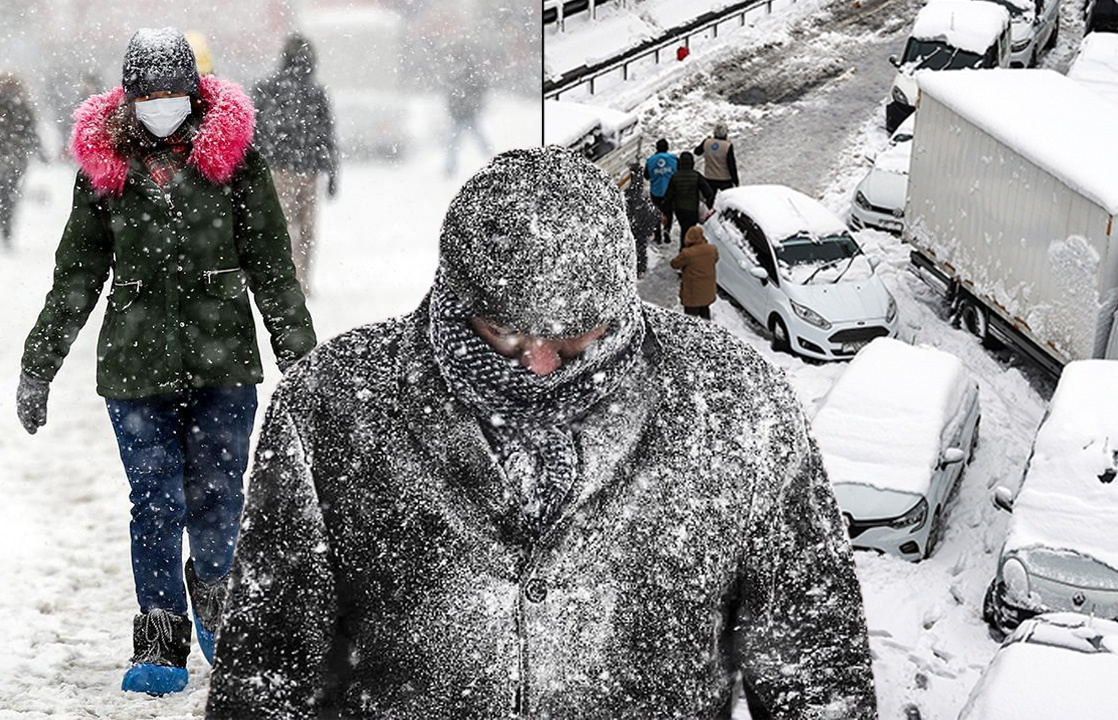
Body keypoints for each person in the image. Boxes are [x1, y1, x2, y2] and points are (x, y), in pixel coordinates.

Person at [206, 146, 877, 718]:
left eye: (578, 338)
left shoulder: (734, 398)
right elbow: (268, 668)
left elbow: (814, 661)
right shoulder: (331, 405)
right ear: (455, 296)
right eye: (505, 334)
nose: (542, 365)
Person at [15, 27, 315, 697]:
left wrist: (304, 363)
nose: (162, 104)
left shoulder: (237, 162)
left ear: (195, 91)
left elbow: (273, 269)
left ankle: (216, 600)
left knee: (217, 498)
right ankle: (159, 633)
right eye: (149, 94)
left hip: (224, 365)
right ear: (130, 96)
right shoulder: (105, 170)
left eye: (174, 92)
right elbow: (75, 275)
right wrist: (40, 364)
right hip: (134, 367)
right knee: (154, 501)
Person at [252, 32, 339, 296]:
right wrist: (333, 172)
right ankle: (302, 280)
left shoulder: (266, 88)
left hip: (277, 170)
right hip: (308, 171)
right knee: (306, 231)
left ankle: (283, 280)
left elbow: (255, 133)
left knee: (280, 228)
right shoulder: (316, 93)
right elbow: (327, 135)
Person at [0, 72, 42, 248]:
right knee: (10, 194)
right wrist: (41, 152)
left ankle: (5, 219)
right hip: (16, 158)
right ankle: (7, 224)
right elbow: (31, 132)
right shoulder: (22, 105)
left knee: (5, 193)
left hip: (6, 156)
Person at [444, 48, 492, 177]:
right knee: (457, 142)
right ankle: (450, 168)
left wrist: (474, 102)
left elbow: (481, 87)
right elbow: (451, 95)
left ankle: (450, 168)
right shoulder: (459, 75)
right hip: (461, 114)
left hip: (466, 113)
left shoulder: (465, 75)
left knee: (460, 142)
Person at [661, 150, 714, 251]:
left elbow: (668, 196)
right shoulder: (696, 176)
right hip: (693, 209)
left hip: (679, 210)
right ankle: (690, 251)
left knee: (684, 229)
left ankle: (683, 250)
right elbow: (709, 192)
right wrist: (707, 204)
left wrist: (665, 211)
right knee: (691, 229)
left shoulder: (675, 177)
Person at [670, 224, 719, 319]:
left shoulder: (687, 254)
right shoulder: (712, 250)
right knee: (705, 314)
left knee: (691, 319)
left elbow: (674, 264)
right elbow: (715, 259)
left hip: (692, 293)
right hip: (706, 291)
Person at [624, 161, 657, 276]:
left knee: (634, 248)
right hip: (641, 229)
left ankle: (637, 267)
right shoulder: (643, 202)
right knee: (641, 249)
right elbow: (653, 214)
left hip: (634, 228)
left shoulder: (628, 200)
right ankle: (640, 268)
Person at [693, 122, 739, 202]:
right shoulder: (727, 146)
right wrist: (735, 180)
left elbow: (697, 152)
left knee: (710, 200)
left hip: (709, 177)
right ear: (725, 134)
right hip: (725, 179)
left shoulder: (706, 142)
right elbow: (731, 165)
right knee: (729, 200)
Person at [644, 138, 677, 244]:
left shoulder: (650, 161)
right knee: (668, 212)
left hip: (656, 191)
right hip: (669, 191)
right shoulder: (673, 159)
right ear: (667, 148)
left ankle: (657, 236)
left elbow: (646, 176)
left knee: (656, 212)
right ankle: (667, 230)